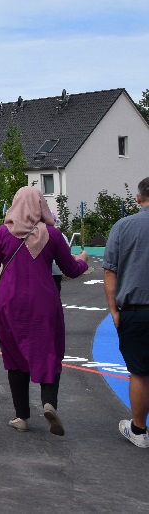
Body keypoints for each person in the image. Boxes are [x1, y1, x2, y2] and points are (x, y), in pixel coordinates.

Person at [0, 186, 89, 435]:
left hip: (9, 303)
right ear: (40, 205)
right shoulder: (52, 235)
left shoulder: (1, 234)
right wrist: (83, 262)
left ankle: (22, 417)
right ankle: (49, 403)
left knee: (14, 356)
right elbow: (70, 269)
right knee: (49, 351)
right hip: (44, 303)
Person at [102, 176, 149, 449]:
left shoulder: (123, 226)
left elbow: (110, 271)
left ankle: (139, 430)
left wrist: (114, 310)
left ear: (138, 198)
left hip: (135, 311)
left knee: (140, 373)